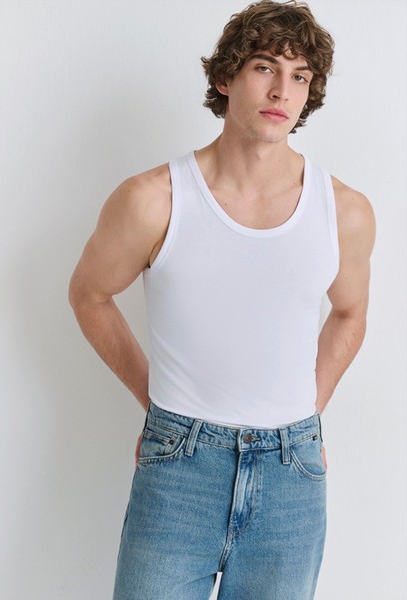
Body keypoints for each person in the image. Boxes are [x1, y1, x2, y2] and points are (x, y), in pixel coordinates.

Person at [69, 1, 375, 598]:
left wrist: (306, 414)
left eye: (300, 76)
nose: (282, 90)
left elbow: (351, 313)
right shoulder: (153, 199)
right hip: (179, 468)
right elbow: (89, 294)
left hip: (292, 476)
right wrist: (158, 407)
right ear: (226, 76)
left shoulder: (344, 211)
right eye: (265, 67)